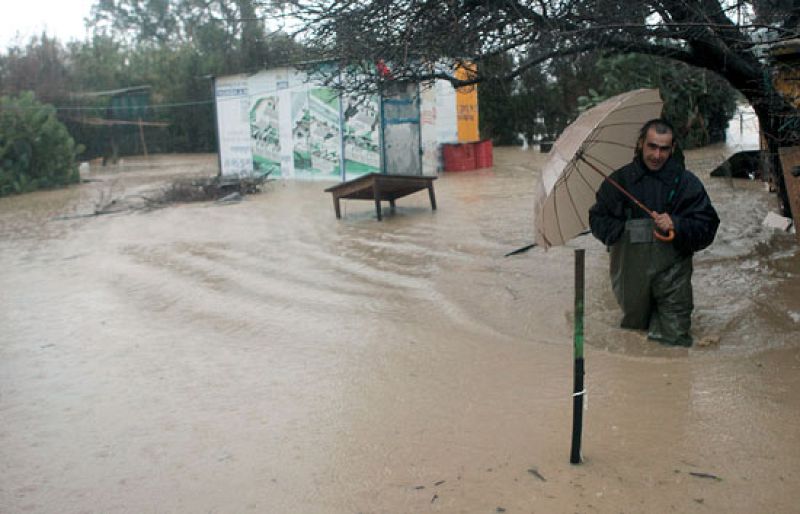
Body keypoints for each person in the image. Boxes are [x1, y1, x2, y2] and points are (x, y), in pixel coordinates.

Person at [589, 119, 719, 347]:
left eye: (664, 149)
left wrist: (677, 224)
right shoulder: (618, 182)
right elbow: (597, 219)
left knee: (675, 340)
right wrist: (624, 230)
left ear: (673, 149)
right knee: (632, 338)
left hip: (673, 278)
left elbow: (707, 225)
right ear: (641, 144)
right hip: (630, 278)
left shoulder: (686, 183)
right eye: (652, 146)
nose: (657, 155)